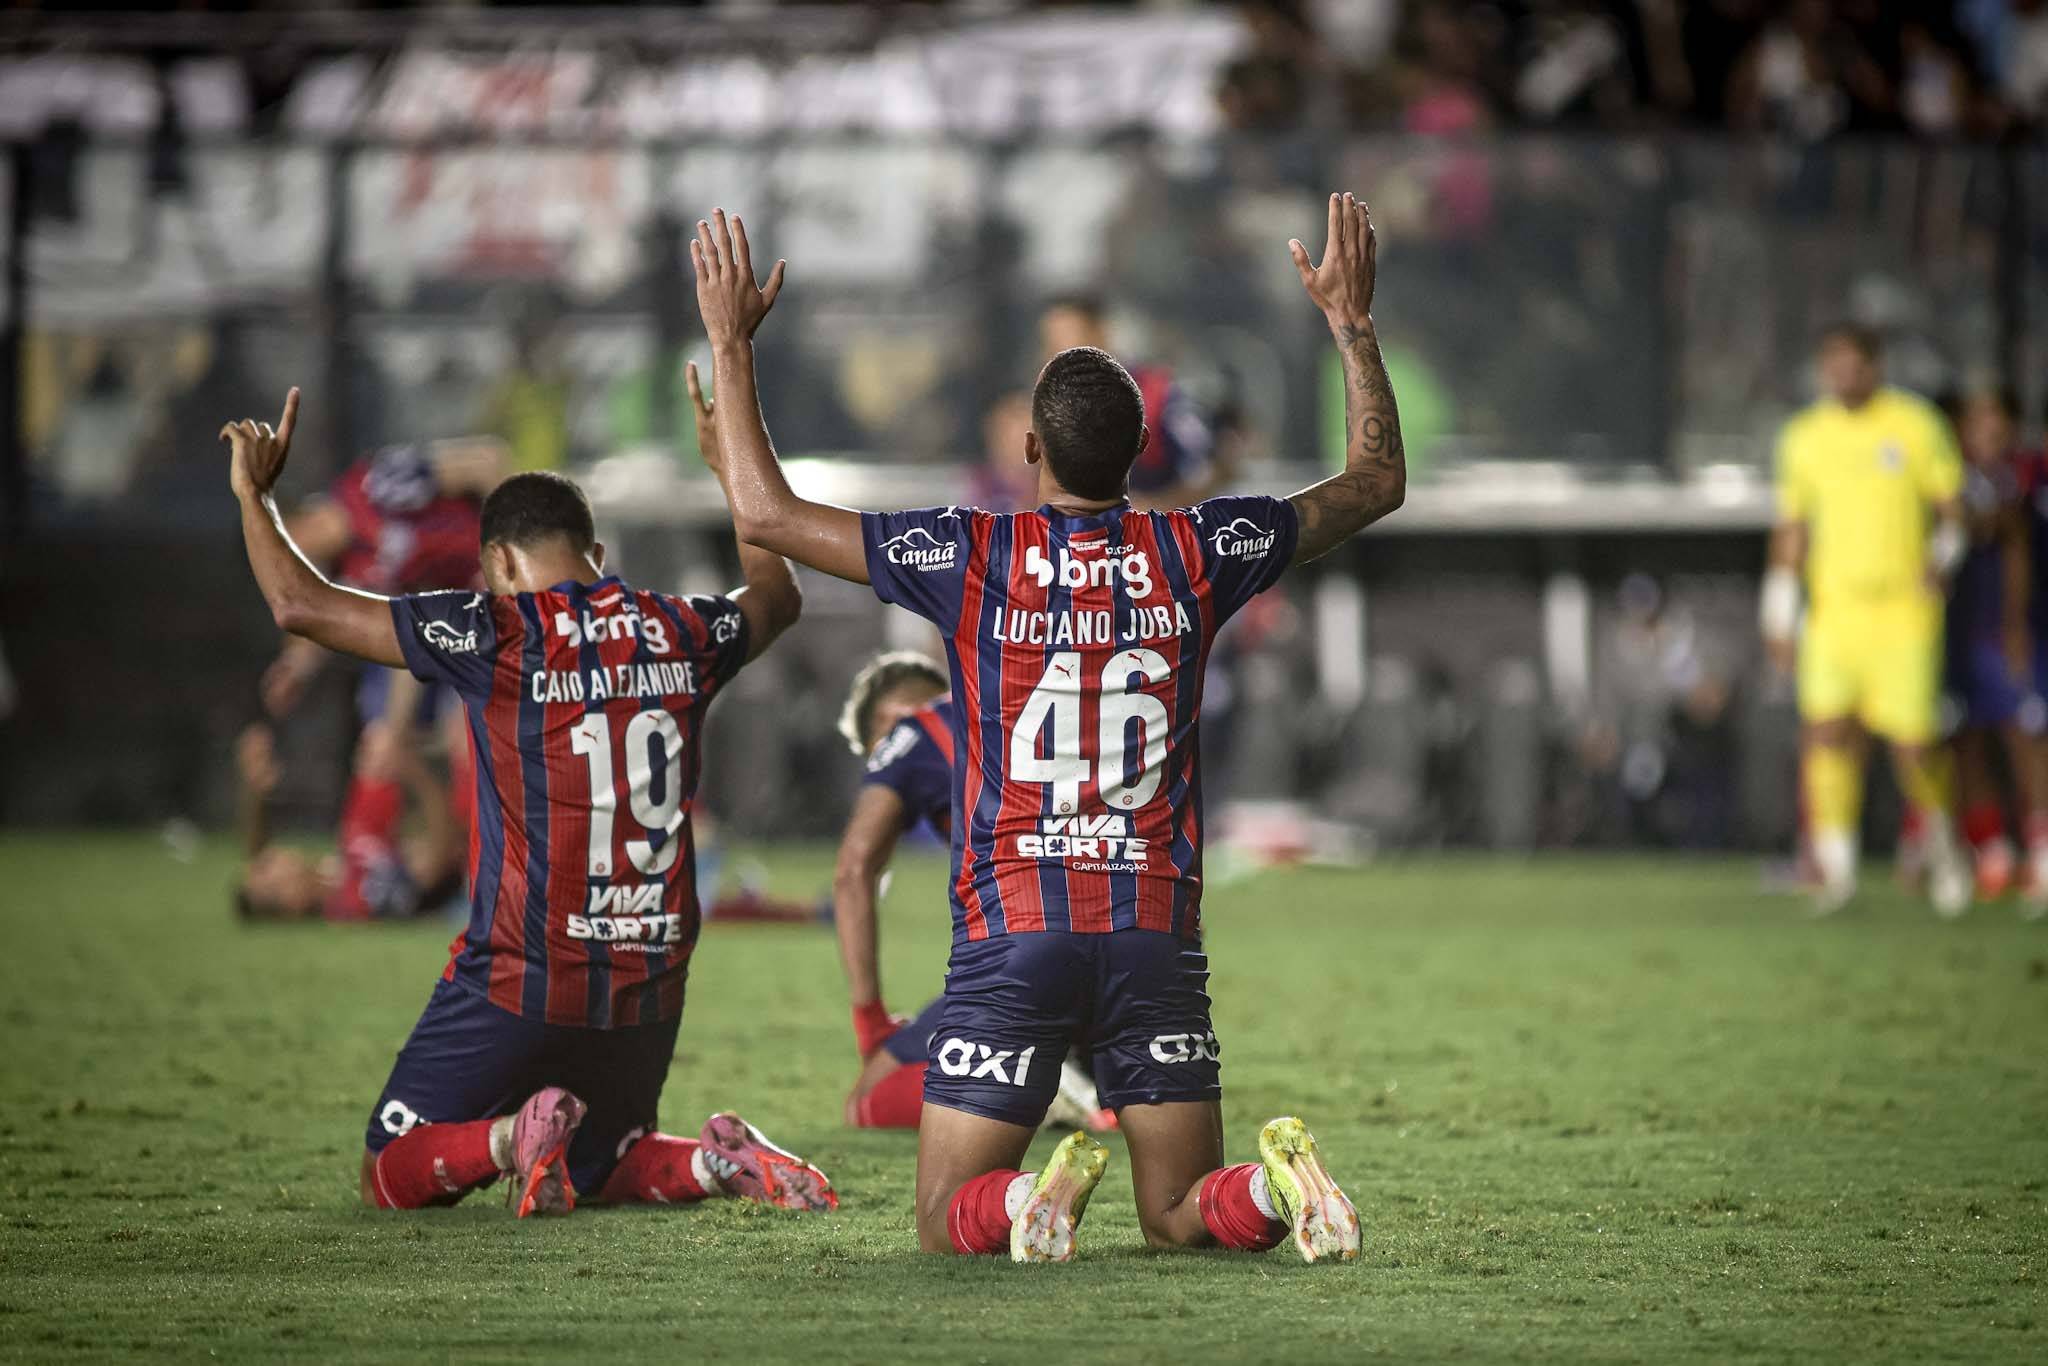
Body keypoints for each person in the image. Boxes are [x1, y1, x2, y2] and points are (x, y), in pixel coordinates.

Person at [690, 192, 1400, 1263]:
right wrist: (1349, 323)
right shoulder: (1197, 548)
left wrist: (731, 346)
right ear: (1143, 447)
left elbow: (766, 516)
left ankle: (1027, 1202)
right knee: (1182, 1210)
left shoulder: (970, 554)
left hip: (1014, 930)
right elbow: (1373, 482)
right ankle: (1272, 1187)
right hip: (1153, 930)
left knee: (944, 1221)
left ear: (1027, 445)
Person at [221, 384, 835, 1219]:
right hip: (651, 975)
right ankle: (716, 1165)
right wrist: (729, 465)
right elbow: (778, 595)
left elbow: (301, 604)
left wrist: (254, 496)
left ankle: (512, 1139)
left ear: (499, 566)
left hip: (524, 973)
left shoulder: (495, 631)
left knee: (388, 1166)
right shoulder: (684, 628)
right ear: (598, 551)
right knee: (602, 1161)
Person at [831, 650, 1111, 1132]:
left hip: (1030, 949)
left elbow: (854, 870)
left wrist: (871, 1023)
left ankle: (1037, 1090)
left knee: (869, 1100)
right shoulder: (1031, 699)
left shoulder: (913, 729)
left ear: (885, 719)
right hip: (1141, 943)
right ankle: (1084, 1075)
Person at [1761, 323, 1970, 917]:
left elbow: (1953, 509)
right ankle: (1836, 870)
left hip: (1904, 612)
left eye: (1854, 364)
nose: (1843, 376)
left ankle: (1945, 844)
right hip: (1834, 613)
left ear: (1875, 366)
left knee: (1914, 744)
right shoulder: (1804, 437)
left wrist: (1943, 557)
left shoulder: (1915, 425)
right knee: (1827, 733)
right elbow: (1792, 530)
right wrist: (1779, 612)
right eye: (1834, 365)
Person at [1945, 389, 2048, 909]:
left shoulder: (2025, 475)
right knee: (1964, 738)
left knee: (2024, 733)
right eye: (1976, 418)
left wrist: (2013, 625)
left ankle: (2041, 850)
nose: (1985, 429)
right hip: (1955, 628)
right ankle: (1991, 852)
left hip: (2005, 628)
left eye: (1995, 419)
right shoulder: (1948, 474)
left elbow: (2016, 550)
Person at [234, 714, 462, 924]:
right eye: (267, 870)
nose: (270, 855)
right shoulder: (360, 897)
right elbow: (437, 859)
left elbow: (257, 847)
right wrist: (415, 772)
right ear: (292, 901)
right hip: (471, 854)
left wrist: (254, 792)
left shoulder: (340, 866)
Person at [1038, 295, 1222, 509]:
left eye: (1067, 338)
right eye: (1050, 342)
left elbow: (1206, 472)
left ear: (1100, 332)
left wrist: (1156, 512)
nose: (1055, 352)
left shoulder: (1158, 395)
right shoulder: (1046, 406)